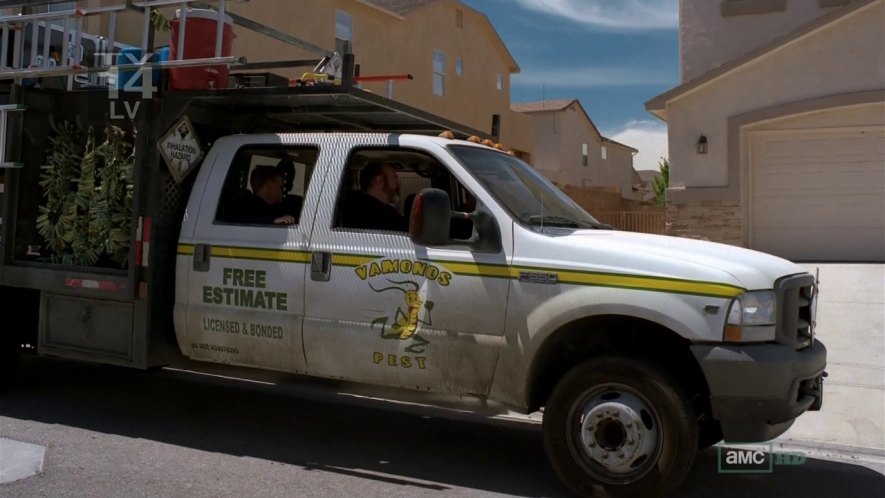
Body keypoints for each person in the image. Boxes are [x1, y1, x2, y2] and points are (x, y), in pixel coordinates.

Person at [344, 162, 408, 232]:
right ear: (379, 181)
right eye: (395, 177)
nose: (399, 183)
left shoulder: (351, 207)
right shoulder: (385, 218)